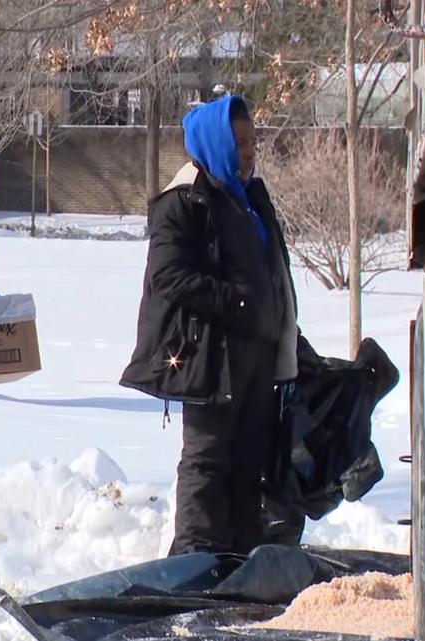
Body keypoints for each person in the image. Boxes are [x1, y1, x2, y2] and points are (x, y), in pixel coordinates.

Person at [120, 95, 299, 556]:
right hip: (212, 358)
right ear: (215, 143)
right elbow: (169, 276)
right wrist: (237, 301)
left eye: (252, 143)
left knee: (248, 462)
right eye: (239, 144)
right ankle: (194, 562)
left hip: (257, 357)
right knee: (208, 458)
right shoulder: (184, 201)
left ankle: (240, 558)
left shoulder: (250, 198)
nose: (249, 153)